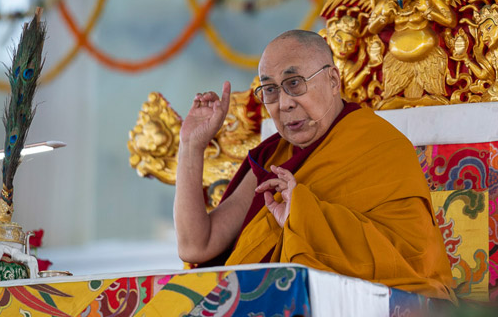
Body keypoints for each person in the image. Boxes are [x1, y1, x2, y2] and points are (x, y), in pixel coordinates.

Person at [174, 29, 455, 300]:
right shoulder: (274, 160)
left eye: (294, 83)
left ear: (333, 80)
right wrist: (191, 146)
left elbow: (414, 265)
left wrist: (302, 215)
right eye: (270, 90)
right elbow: (196, 245)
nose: (284, 103)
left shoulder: (382, 148)